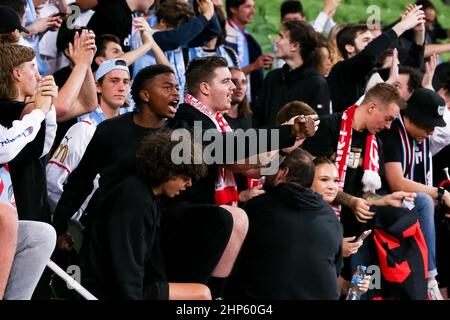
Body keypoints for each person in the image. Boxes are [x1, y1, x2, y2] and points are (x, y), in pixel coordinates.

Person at [79, 130, 211, 300]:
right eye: (185, 177)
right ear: (169, 171)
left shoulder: (149, 197)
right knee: (201, 294)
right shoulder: (134, 199)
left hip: (127, 286)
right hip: (108, 290)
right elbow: (125, 263)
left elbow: (150, 263)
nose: (189, 184)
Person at [234, 148, 343, 299]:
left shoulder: (259, 206)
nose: (265, 174)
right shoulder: (330, 215)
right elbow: (335, 269)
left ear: (282, 173)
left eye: (270, 168)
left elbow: (237, 261)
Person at [380, 88, 450, 299]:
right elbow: (397, 182)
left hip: (409, 203)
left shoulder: (423, 136)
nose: (431, 131)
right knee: (425, 201)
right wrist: (439, 192)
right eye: (427, 125)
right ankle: (431, 278)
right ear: (409, 117)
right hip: (379, 199)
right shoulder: (392, 131)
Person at [327, 6, 425, 112]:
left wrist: (419, 32)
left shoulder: (370, 72)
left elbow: (411, 67)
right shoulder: (341, 70)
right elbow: (369, 54)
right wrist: (403, 25)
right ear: (349, 47)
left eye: (373, 40)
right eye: (366, 40)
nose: (371, 44)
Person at [0, 44, 57, 222]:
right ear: (17, 74)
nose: (39, 77)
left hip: (32, 206)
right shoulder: (11, 110)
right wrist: (41, 108)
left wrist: (48, 108)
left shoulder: (28, 111)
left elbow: (42, 149)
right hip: (16, 214)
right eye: (33, 68)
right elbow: (6, 149)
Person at [253, 20, 330, 127]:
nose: (276, 41)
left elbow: (319, 126)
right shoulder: (272, 77)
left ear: (295, 45)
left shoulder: (316, 83)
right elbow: (258, 118)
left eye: (281, 36)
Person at [225, 0, 272, 102]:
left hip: (249, 101)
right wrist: (254, 66)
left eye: (253, 7)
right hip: (231, 101)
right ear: (233, 9)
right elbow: (225, 75)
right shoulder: (224, 37)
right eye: (248, 7)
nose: (253, 11)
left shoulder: (247, 36)